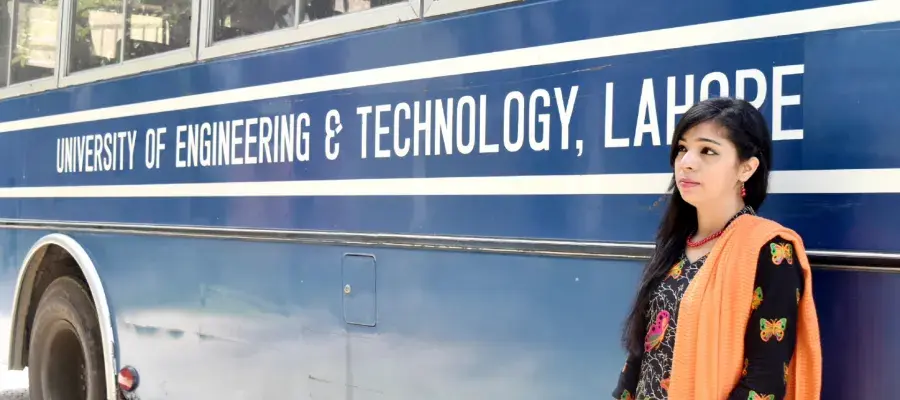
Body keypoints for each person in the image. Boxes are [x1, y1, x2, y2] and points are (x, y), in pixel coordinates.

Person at [611, 97, 822, 400]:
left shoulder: (770, 251)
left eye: (707, 150)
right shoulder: (676, 244)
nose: (686, 162)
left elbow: (765, 382)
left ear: (746, 168)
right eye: (682, 148)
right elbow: (640, 355)